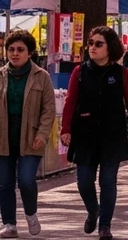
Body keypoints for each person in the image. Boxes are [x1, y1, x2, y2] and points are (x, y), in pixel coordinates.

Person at [61, 27, 128, 240]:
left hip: (112, 135)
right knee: (84, 182)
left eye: (99, 44)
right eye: (91, 43)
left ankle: (105, 226)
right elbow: (70, 102)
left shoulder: (121, 73)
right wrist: (66, 128)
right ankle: (93, 210)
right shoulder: (80, 72)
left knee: (108, 181)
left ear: (110, 47)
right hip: (85, 134)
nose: (93, 48)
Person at [0, 30, 54, 238]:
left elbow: (48, 110)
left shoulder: (42, 77)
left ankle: (31, 213)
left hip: (31, 138)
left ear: (30, 52)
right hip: (4, 137)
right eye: (11, 49)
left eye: (20, 50)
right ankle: (9, 223)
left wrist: (42, 134)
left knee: (26, 180)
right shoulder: (1, 75)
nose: (15, 53)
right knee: (4, 183)